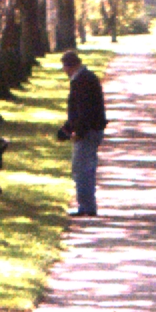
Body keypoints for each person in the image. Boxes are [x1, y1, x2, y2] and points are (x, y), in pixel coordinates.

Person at [56, 51, 106, 217]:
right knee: (86, 167)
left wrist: (78, 131)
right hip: (93, 129)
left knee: (82, 168)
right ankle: (87, 204)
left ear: (70, 66)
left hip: (88, 131)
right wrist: (67, 129)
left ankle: (86, 206)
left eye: (65, 67)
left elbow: (83, 110)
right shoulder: (87, 78)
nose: (65, 71)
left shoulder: (81, 81)